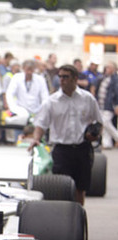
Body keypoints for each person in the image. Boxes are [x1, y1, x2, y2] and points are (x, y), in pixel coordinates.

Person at [28, 64, 102, 205]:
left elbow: (98, 121)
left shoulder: (88, 99)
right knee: (62, 188)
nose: (62, 80)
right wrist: (36, 139)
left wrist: (95, 134)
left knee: (80, 188)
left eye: (65, 77)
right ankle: (64, 217)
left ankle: (78, 216)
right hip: (62, 150)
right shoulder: (51, 101)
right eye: (60, 76)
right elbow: (41, 124)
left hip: (82, 149)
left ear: (75, 79)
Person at [92, 61, 118, 149]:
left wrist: (116, 105)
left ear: (114, 69)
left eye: (109, 68)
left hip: (109, 105)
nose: (106, 69)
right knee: (104, 124)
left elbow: (116, 93)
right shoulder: (104, 78)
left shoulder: (115, 79)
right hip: (101, 104)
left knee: (106, 122)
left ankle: (117, 137)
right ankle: (107, 143)